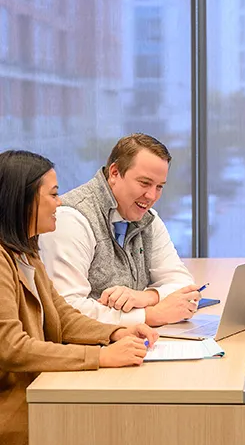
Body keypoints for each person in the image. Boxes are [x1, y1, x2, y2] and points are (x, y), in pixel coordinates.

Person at [0, 150, 159, 445]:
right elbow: (12, 348)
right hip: (15, 407)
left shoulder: (26, 253)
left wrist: (116, 332)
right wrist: (99, 356)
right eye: (53, 194)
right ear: (22, 200)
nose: (59, 203)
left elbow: (63, 316)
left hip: (38, 390)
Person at [39, 133, 201, 327]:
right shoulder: (70, 218)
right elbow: (67, 310)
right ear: (115, 173)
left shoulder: (148, 218)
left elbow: (185, 287)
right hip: (86, 349)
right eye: (145, 183)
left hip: (129, 341)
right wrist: (149, 316)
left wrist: (146, 297)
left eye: (159, 186)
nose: (151, 196)